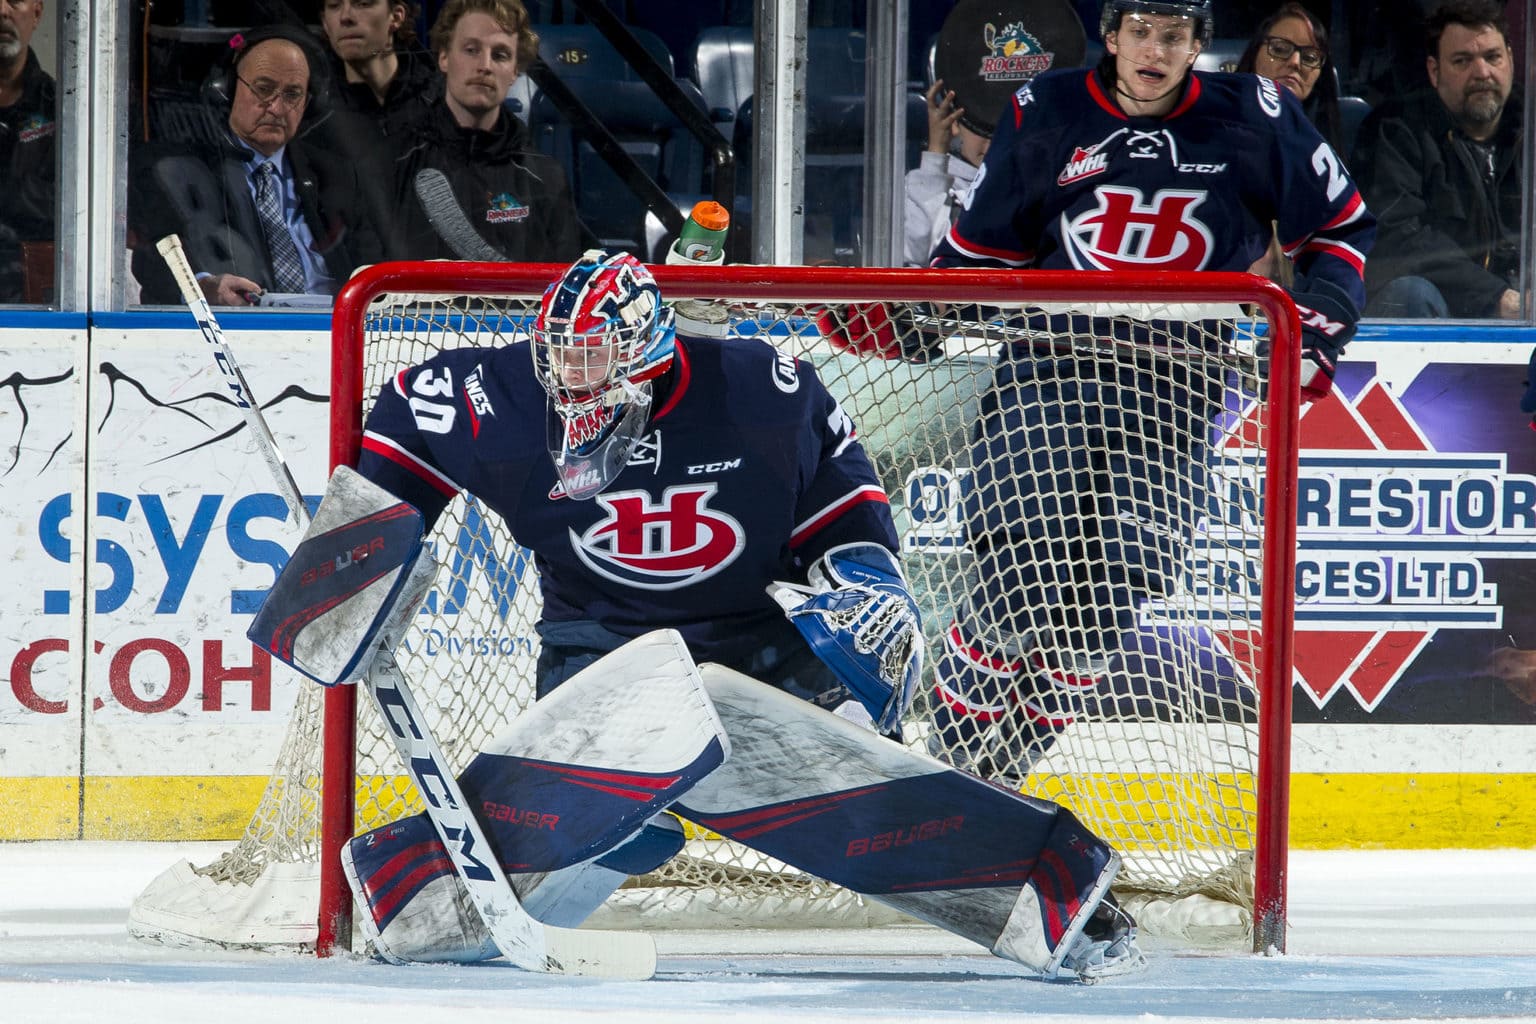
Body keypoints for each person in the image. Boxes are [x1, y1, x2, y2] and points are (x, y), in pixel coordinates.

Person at [322, 249, 1136, 977]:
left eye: (592, 359)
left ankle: (1032, 882)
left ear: (648, 349)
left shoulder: (759, 392)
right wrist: (365, 559)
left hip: (761, 641)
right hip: (599, 647)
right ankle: (491, 884)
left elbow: (841, 498)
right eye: (558, 358)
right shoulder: (496, 398)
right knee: (627, 832)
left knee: (856, 742)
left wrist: (867, 582)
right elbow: (401, 431)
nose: (571, 381)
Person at [926, 0, 1375, 780]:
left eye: (1174, 36)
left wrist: (1321, 323)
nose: (1153, 50)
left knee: (1118, 586)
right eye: (1139, 32)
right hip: (1050, 367)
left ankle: (1006, 773)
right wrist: (917, 313)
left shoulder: (1257, 116)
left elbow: (1340, 228)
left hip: (1178, 383)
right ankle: (951, 763)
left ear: (1200, 46)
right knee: (1018, 571)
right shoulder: (1049, 107)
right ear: (1110, 36)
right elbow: (982, 251)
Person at [129, 26, 385, 306]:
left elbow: (373, 266)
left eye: (292, 95)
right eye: (264, 89)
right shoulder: (182, 172)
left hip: (332, 329)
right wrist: (203, 287)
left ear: (308, 104)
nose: (276, 108)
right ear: (226, 89)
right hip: (240, 330)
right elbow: (152, 260)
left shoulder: (338, 176)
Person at [1349, 0, 1521, 320]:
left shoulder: (1531, 127)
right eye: (1462, 60)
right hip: (1444, 313)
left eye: (1492, 57)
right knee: (1409, 293)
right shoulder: (1395, 131)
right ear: (1434, 70)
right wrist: (1493, 296)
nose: (1482, 72)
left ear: (1510, 59)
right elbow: (1395, 239)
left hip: (1523, 308)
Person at [387, 0, 581, 261]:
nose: (485, 66)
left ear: (514, 71)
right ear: (444, 57)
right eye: (471, 50)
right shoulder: (393, 162)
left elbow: (563, 286)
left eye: (500, 55)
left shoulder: (545, 178)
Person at [1236, 3, 1343, 284]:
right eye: (1280, 49)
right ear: (1254, 53)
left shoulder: (1333, 151)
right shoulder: (1215, 132)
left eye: (1310, 56)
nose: (1295, 63)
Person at [319, 0, 441, 158]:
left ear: (396, 17)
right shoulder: (312, 111)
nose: (345, 17)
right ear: (325, 24)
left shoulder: (444, 101)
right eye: (334, 5)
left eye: (363, 4)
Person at [903, 77, 990, 267]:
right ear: (955, 123)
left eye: (998, 125)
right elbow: (914, 255)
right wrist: (936, 154)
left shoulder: (1030, 181)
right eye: (979, 125)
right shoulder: (925, 182)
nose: (989, 140)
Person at [0, 0, 55, 304]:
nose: (2, 11)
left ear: (36, 13)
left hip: (43, 315)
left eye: (15, 0)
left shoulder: (68, 116)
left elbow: (77, 208)